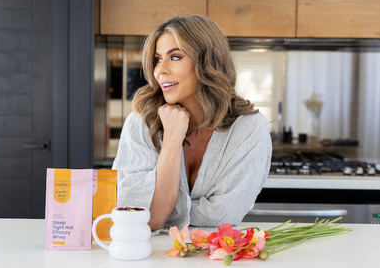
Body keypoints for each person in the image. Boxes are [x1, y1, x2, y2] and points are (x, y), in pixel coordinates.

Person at [112, 14, 272, 233]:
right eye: (158, 59)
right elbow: (139, 217)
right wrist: (171, 139)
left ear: (208, 62)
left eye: (175, 57)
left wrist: (163, 209)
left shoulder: (249, 127)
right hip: (149, 257)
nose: (160, 70)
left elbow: (226, 213)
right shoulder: (142, 122)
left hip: (215, 257)